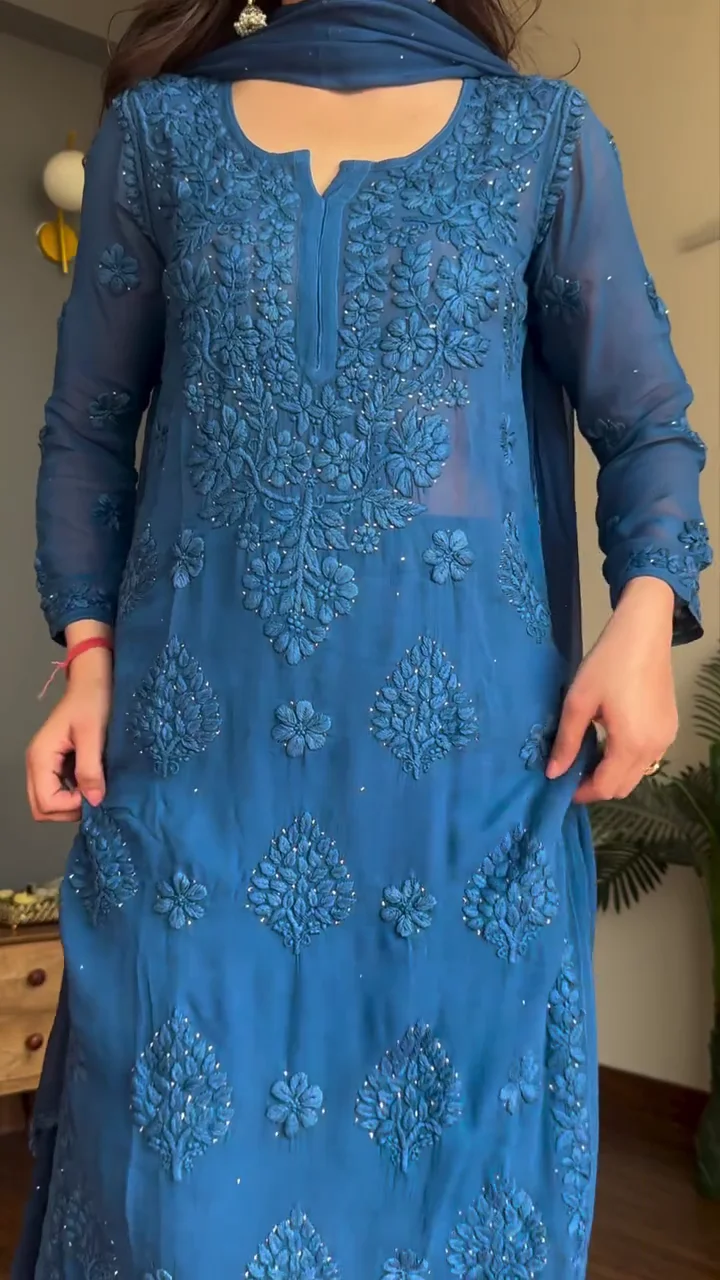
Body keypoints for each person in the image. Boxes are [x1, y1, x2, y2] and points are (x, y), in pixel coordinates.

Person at [16, 0, 712, 1276]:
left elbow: (648, 422)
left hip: (459, 787)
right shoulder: (159, 138)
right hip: (197, 773)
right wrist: (88, 651)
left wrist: (647, 611)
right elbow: (88, 425)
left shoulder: (537, 139)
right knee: (176, 1204)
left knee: (440, 1201)